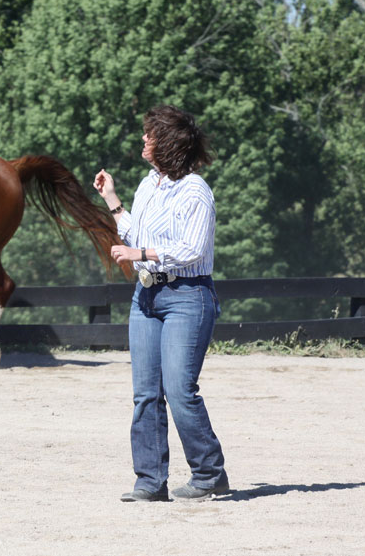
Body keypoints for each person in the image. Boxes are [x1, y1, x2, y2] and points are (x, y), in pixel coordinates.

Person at [94, 105, 228, 502]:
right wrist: (113, 200)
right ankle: (150, 482)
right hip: (147, 295)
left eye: (149, 135)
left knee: (179, 389)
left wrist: (141, 255)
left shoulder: (196, 191)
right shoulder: (147, 185)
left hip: (187, 297)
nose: (143, 139)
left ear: (166, 143)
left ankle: (209, 473)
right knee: (145, 393)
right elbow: (138, 230)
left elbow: (192, 249)